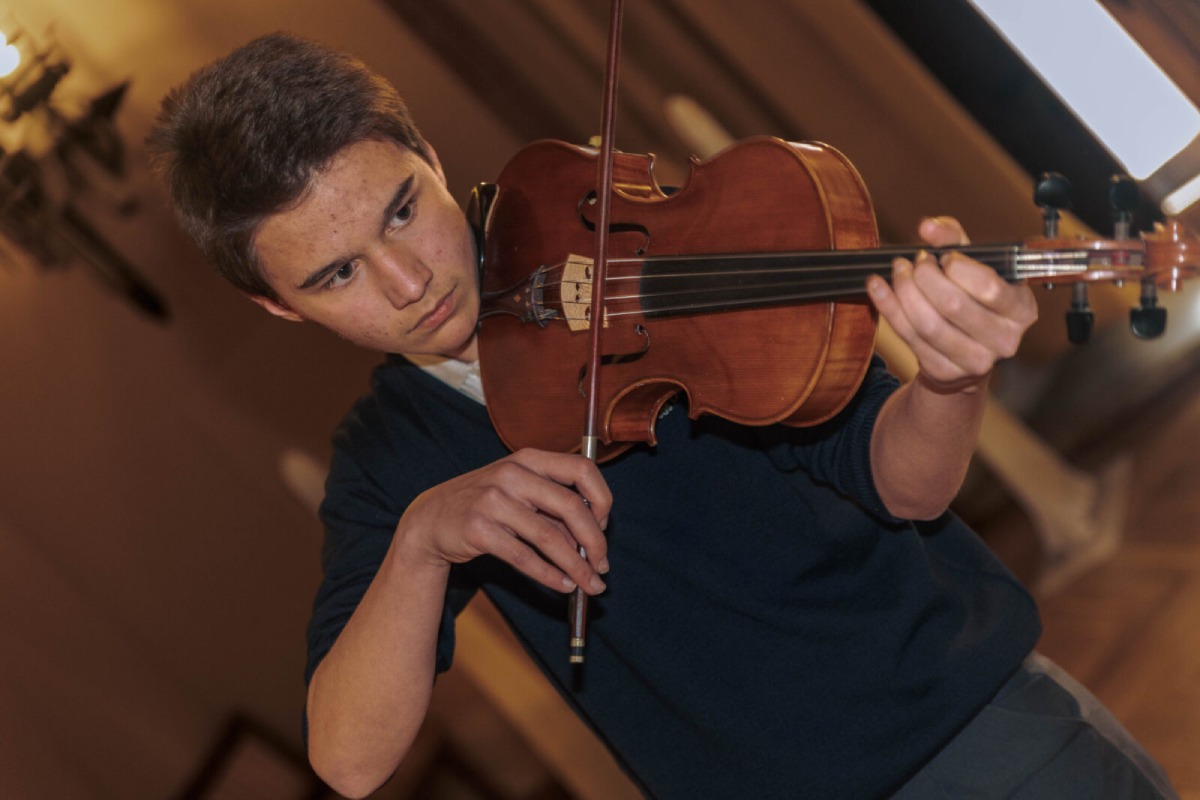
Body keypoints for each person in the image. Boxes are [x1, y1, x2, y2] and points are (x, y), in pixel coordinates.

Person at [147, 32, 1178, 800]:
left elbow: (906, 482)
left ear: (421, 147)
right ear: (277, 305)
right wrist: (422, 541)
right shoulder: (387, 457)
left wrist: (949, 380)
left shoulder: (637, 245)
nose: (408, 280)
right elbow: (349, 756)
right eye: (337, 275)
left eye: (403, 208)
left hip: (972, 736)